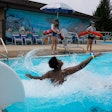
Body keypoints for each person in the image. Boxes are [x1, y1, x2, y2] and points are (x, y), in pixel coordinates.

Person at [26, 52, 101, 85]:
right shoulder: (64, 72)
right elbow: (80, 66)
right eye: (59, 60)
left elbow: (40, 78)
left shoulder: (49, 73)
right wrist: (93, 56)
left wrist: (32, 77)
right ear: (58, 65)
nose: (60, 60)